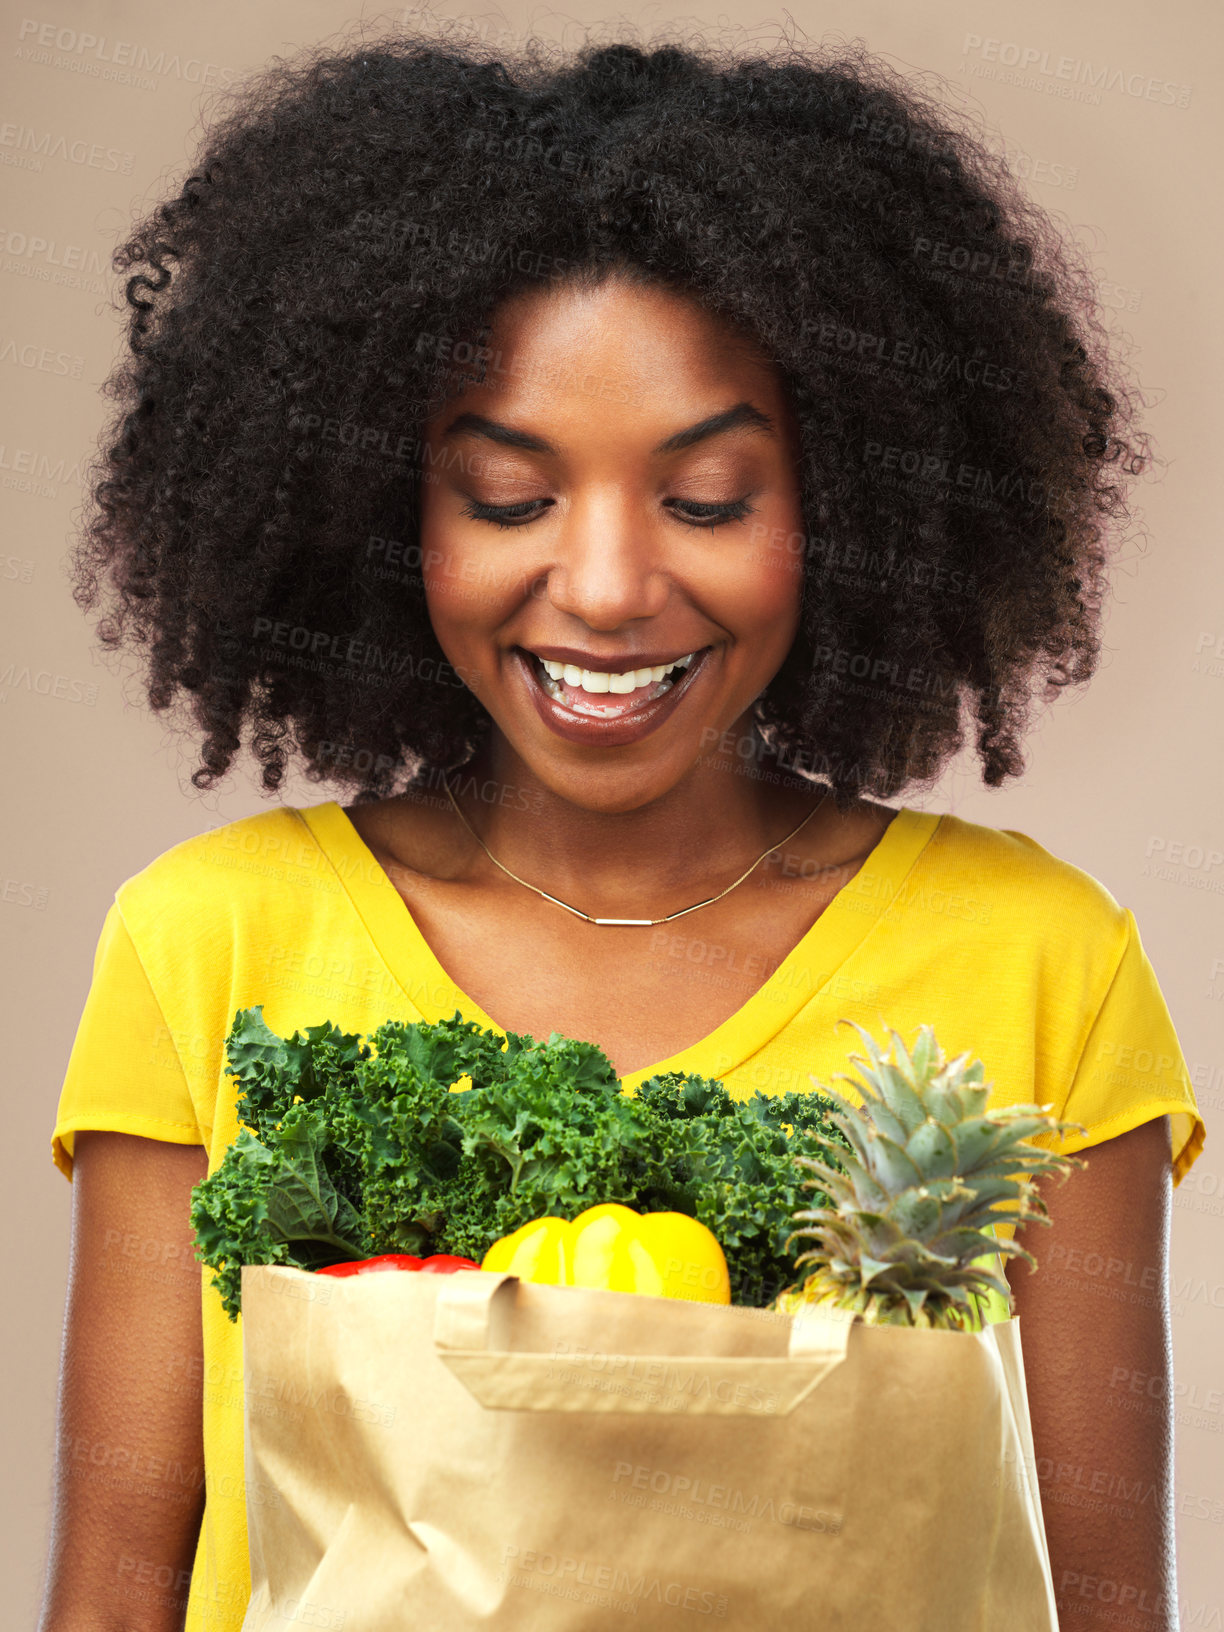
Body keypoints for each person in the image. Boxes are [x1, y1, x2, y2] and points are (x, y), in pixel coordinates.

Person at [40, 23, 1204, 1632]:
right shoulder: (208, 941)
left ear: (849, 508)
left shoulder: (1043, 965)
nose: (600, 587)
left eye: (709, 497)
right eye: (508, 497)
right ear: (390, 517)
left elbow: (1104, 1606)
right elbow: (112, 1603)